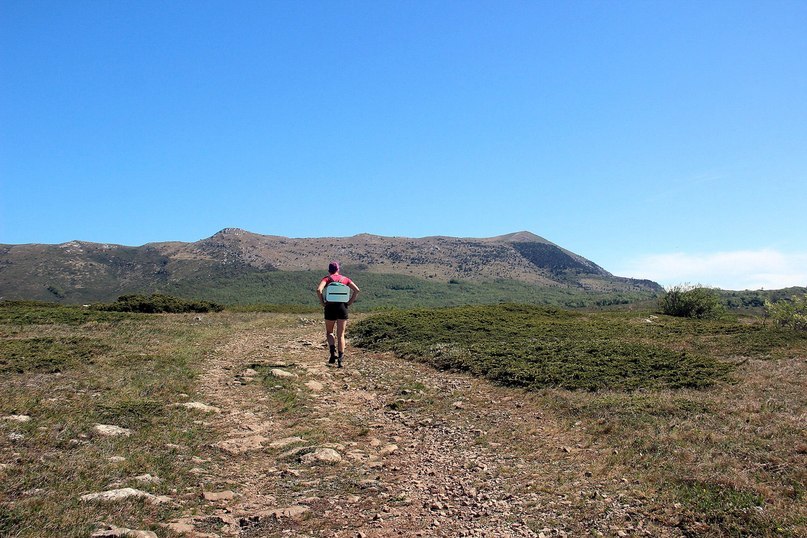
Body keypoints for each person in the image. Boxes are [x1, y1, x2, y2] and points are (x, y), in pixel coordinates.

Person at [316, 261, 360, 368]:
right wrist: (349, 302)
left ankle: (332, 353)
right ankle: (340, 359)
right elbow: (357, 290)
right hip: (342, 307)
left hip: (330, 307)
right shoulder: (345, 279)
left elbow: (319, 290)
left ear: (329, 270)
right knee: (341, 334)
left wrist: (322, 302)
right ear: (338, 269)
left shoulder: (327, 279)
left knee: (330, 332)